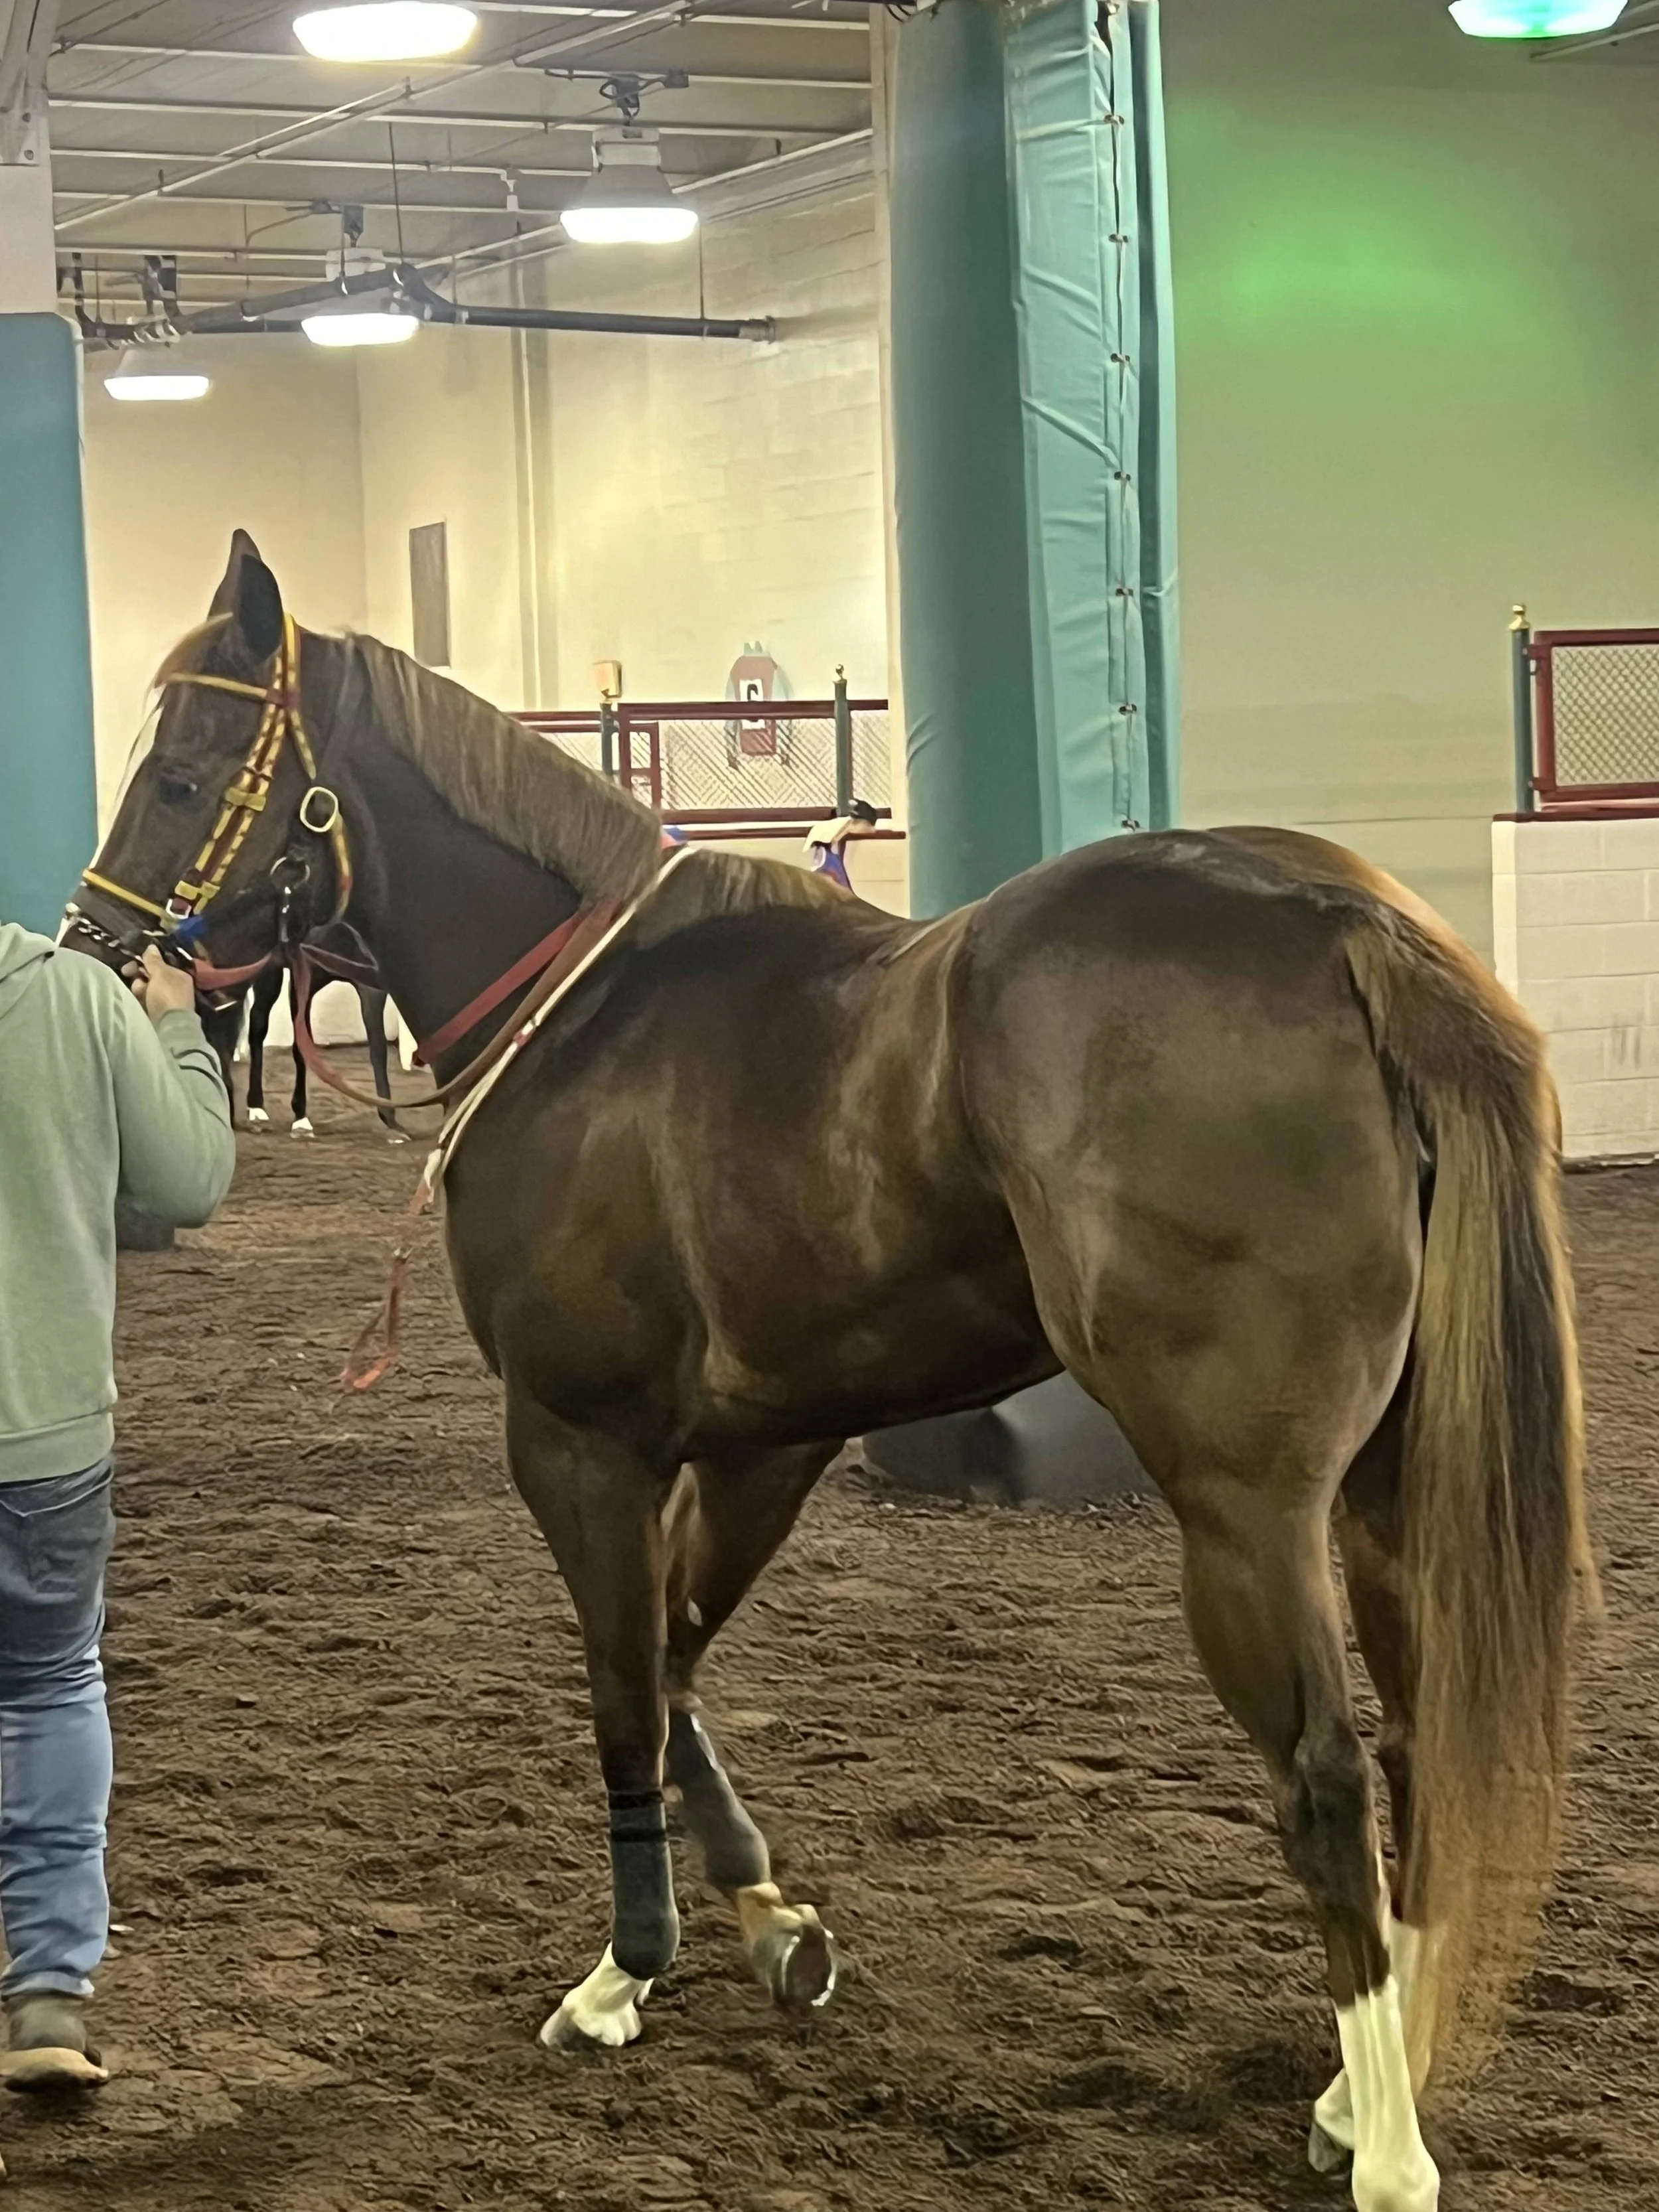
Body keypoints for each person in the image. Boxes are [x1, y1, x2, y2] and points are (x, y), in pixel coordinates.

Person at [0, 928, 235, 2091]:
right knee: (49, 1684)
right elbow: (190, 1178)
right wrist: (179, 1021)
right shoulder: (79, 998)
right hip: (46, 1429)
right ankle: (47, 1994)